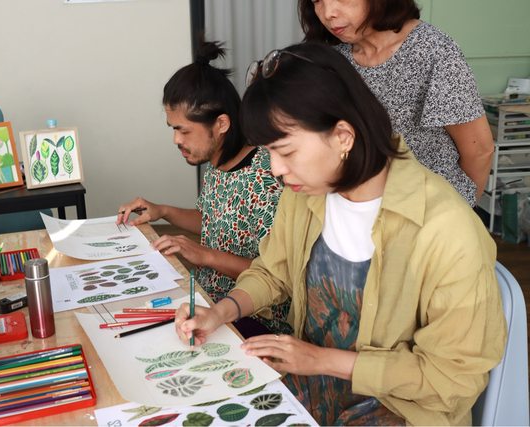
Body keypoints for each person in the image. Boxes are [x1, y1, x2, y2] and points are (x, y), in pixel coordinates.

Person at [175, 42, 505, 425]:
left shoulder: (446, 229)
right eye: (269, 153)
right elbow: (273, 272)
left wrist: (321, 360)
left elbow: (453, 377)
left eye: (286, 151)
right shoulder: (307, 192)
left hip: (401, 410)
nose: (276, 169)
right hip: (312, 389)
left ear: (343, 136)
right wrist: (220, 312)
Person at [117, 40, 292, 338]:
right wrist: (162, 211)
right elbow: (212, 221)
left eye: (183, 130)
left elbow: (274, 275)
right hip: (209, 301)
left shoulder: (265, 175)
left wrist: (205, 255)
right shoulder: (215, 163)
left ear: (221, 124)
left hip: (256, 319)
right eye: (173, 129)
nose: (176, 140)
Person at [297, 0, 493, 207]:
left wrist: (457, 213)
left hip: (427, 210)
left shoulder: (433, 50)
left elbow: (479, 151)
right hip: (358, 210)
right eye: (317, 1)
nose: (328, 13)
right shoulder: (333, 57)